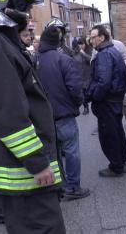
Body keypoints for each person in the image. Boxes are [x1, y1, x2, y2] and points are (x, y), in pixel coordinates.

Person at [0, 0, 66, 233]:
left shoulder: (0, 42)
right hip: (24, 174)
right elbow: (7, 112)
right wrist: (37, 162)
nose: (30, 16)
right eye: (27, 7)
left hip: (23, 171)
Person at [38, 26, 90, 200]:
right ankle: (73, 188)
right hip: (64, 116)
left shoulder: (33, 60)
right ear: (59, 42)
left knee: (55, 154)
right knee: (71, 151)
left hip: (45, 118)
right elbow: (75, 89)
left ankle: (61, 185)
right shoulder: (64, 60)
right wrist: (77, 104)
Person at [86, 25, 126, 177]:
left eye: (93, 37)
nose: (91, 41)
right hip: (115, 101)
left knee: (109, 135)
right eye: (90, 37)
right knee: (117, 131)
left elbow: (103, 82)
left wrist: (94, 97)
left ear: (102, 37)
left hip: (107, 102)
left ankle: (116, 166)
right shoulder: (112, 51)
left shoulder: (104, 54)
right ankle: (122, 161)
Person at [76, 37, 93, 115]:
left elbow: (91, 60)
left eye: (82, 44)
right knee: (83, 95)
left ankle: (94, 107)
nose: (80, 46)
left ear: (85, 44)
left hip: (89, 77)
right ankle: (86, 108)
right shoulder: (76, 52)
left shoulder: (90, 50)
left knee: (90, 94)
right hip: (80, 78)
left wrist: (84, 54)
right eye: (79, 44)